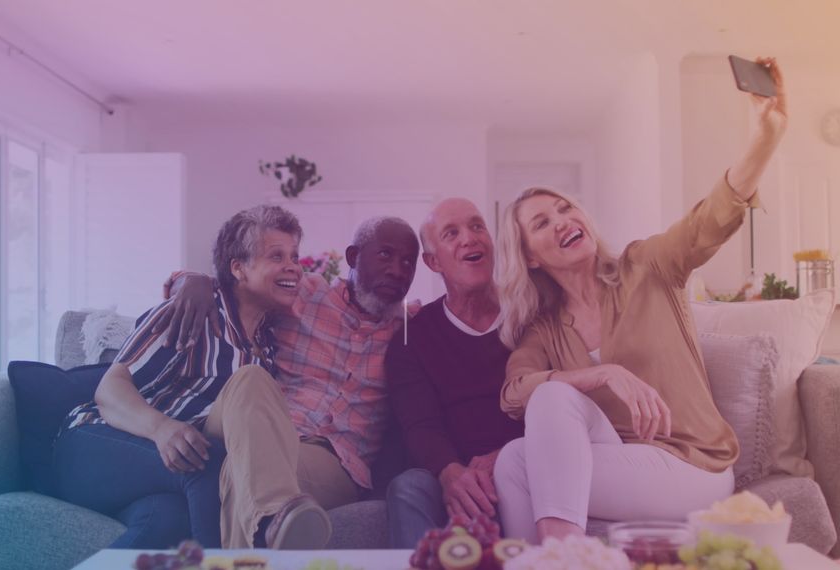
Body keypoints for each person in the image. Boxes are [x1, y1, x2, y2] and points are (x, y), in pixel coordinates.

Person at [492, 58, 788, 544]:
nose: (563, 220)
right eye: (542, 223)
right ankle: (557, 558)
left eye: (565, 209)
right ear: (528, 257)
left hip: (690, 466)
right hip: (621, 460)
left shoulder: (645, 268)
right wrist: (603, 373)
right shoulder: (544, 329)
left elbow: (709, 220)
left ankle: (560, 560)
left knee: (523, 462)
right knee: (528, 432)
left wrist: (766, 136)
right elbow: (514, 394)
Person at [52, 205, 303, 548]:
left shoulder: (267, 344)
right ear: (238, 268)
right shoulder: (193, 310)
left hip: (160, 472)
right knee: (204, 462)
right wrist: (162, 429)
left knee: (167, 520)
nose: (293, 266)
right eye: (277, 255)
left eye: (295, 255)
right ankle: (263, 539)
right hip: (95, 442)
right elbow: (110, 389)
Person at [167, 216, 420, 548]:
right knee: (250, 382)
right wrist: (190, 279)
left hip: (336, 462)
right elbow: (244, 283)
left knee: (238, 472)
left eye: (408, 262)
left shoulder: (410, 329)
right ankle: (274, 524)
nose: (398, 270)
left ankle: (268, 522)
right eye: (386, 255)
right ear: (353, 257)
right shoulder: (306, 294)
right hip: (273, 430)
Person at [384, 198, 523, 548]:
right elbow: (420, 424)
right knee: (407, 487)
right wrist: (450, 473)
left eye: (477, 227)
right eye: (452, 233)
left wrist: (506, 456)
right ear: (433, 262)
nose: (469, 238)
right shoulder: (411, 337)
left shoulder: (528, 316)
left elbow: (550, 406)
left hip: (521, 460)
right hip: (451, 469)